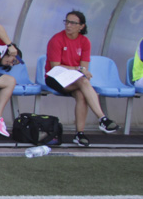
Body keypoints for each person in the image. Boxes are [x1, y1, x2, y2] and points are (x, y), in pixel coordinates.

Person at [44, 11, 120, 147]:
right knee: (83, 82)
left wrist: (80, 71)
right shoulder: (56, 40)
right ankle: (102, 118)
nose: (68, 25)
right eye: (66, 21)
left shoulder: (84, 42)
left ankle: (79, 134)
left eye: (73, 23)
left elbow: (84, 68)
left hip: (73, 79)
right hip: (54, 77)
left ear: (81, 26)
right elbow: (55, 67)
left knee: (81, 93)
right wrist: (77, 69)